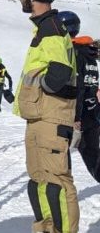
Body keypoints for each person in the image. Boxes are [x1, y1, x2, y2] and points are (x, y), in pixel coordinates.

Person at [12, 0, 79, 232]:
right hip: (40, 118)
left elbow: (59, 73)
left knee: (57, 183)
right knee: (39, 181)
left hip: (51, 118)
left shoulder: (51, 28)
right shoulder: (44, 28)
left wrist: (38, 86)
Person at [58, 11, 100, 182]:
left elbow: (79, 87)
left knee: (60, 152)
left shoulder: (73, 53)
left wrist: (75, 117)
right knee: (93, 154)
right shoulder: (88, 53)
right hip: (93, 111)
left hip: (79, 113)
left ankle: (60, 189)